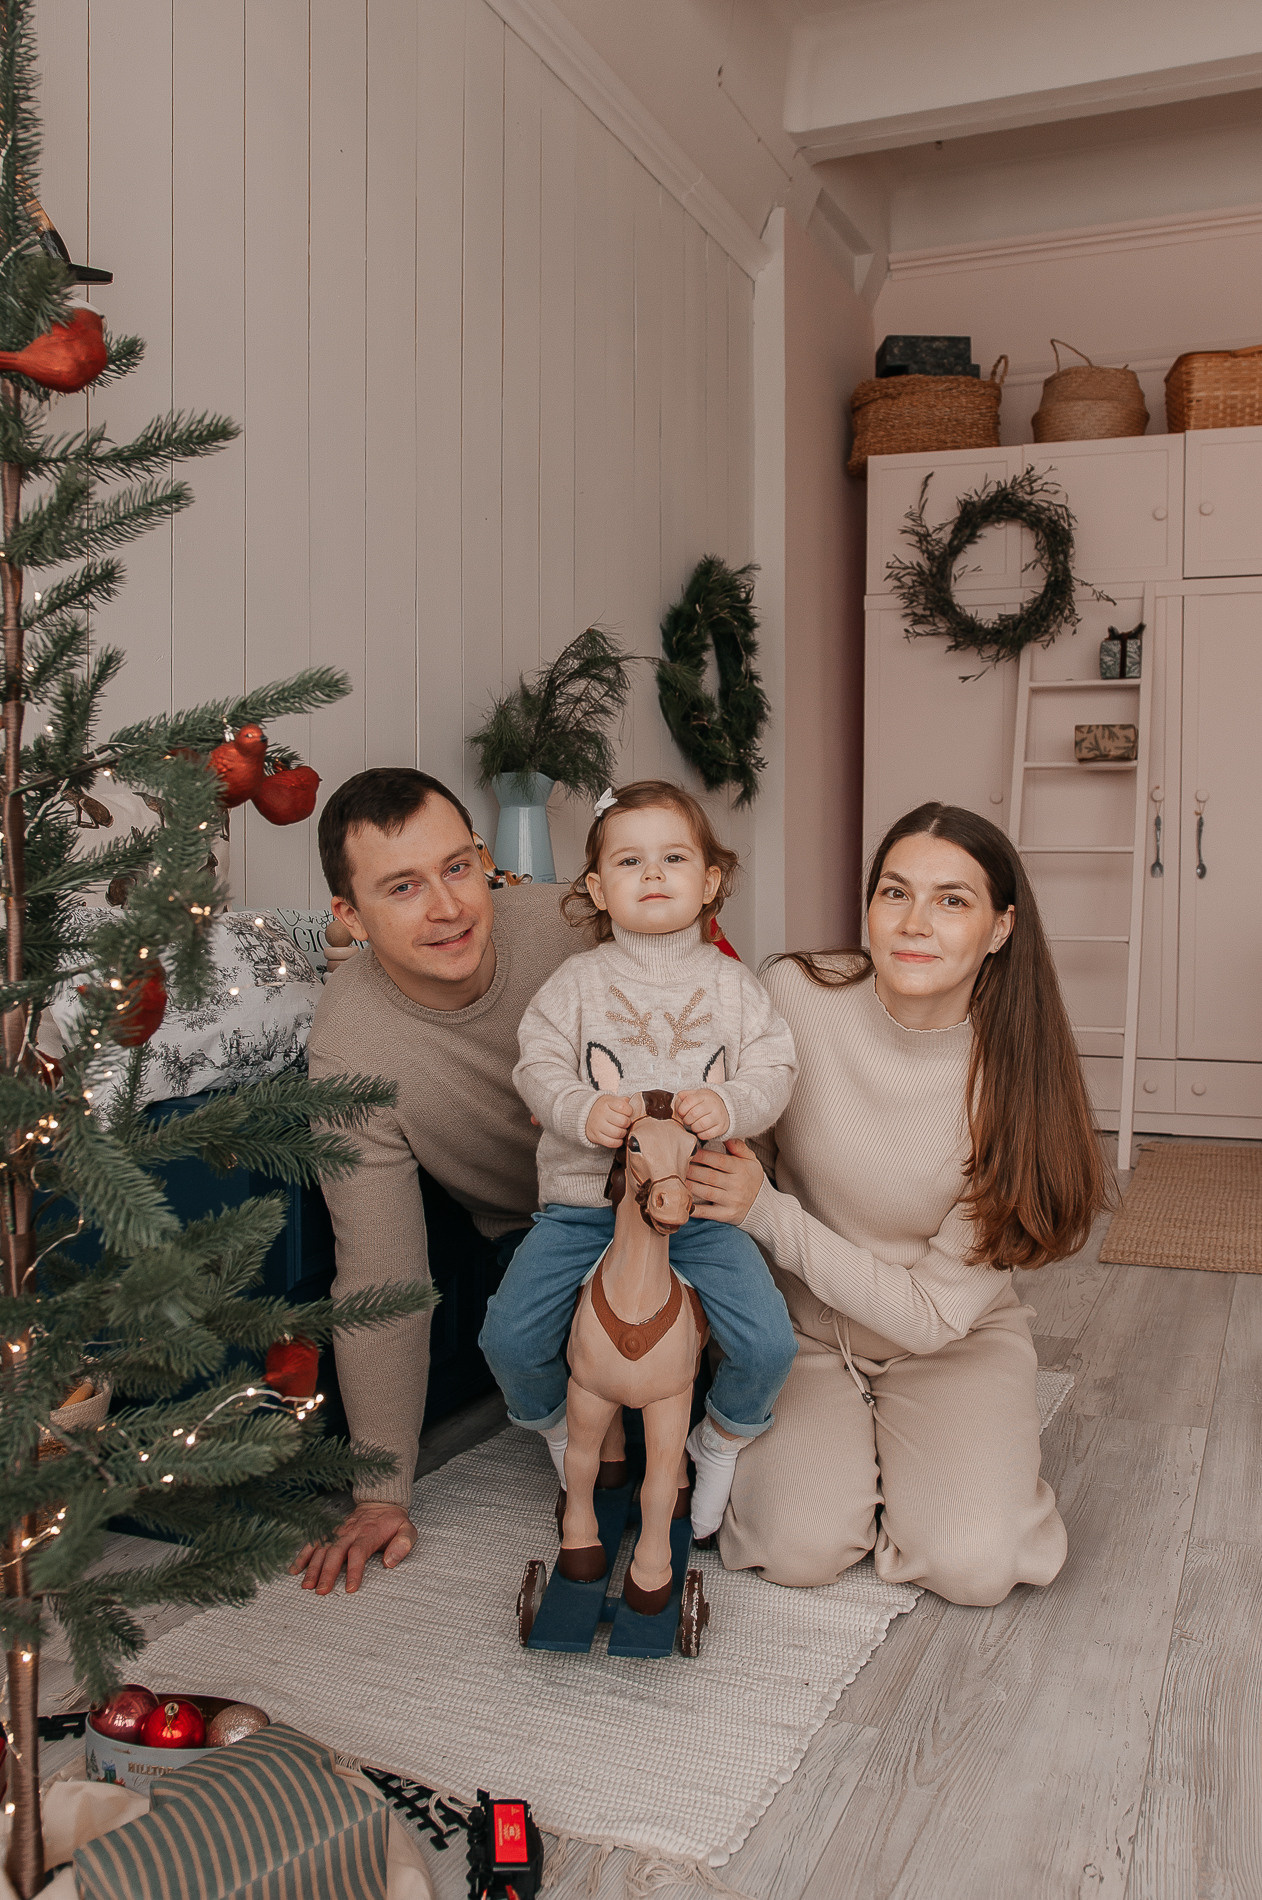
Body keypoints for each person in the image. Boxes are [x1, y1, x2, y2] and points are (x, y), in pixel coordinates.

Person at [686, 802, 1109, 1605]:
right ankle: (858, 1465)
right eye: (894, 892)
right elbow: (748, 1156)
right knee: (792, 1547)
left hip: (949, 1340)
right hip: (802, 1331)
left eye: (953, 900)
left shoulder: (1019, 1080)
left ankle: (925, 1466)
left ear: (999, 927)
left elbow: (920, 1314)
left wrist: (767, 1214)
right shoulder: (796, 995)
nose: (915, 923)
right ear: (868, 906)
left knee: (975, 1568)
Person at [480, 780, 799, 1542]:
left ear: (709, 880)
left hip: (700, 1212)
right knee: (510, 1335)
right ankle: (566, 1433)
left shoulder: (734, 986)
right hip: (585, 1211)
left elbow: (775, 1070)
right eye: (629, 860)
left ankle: (716, 1440)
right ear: (596, 886)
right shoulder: (576, 985)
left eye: (673, 857)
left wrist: (730, 1108)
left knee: (766, 1341)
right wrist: (580, 1110)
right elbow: (538, 1066)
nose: (653, 874)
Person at [292, 767, 574, 1594]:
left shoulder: (571, 928)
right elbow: (380, 1269)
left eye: (457, 868)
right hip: (540, 1231)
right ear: (349, 916)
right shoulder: (349, 1044)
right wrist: (381, 1493)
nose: (449, 908)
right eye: (404, 887)